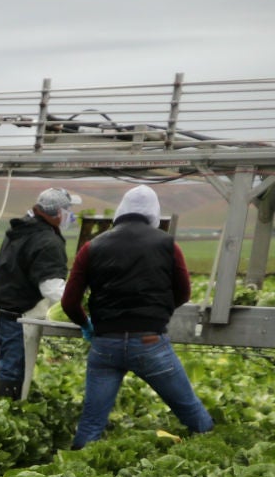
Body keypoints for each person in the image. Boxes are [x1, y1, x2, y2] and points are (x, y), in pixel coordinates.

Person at [61, 185, 210, 450]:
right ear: (153, 213)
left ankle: (73, 474)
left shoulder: (91, 247)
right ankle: (212, 457)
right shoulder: (167, 245)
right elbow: (184, 292)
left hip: (106, 344)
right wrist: (157, 314)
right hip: (151, 342)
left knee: (92, 422)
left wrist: (87, 325)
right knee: (190, 410)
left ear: (121, 211)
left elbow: (69, 302)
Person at [0, 187, 75, 399]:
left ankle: (8, 411)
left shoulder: (26, 229)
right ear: (58, 212)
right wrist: (78, 307)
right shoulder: (45, 240)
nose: (71, 215)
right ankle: (6, 413)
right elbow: (51, 287)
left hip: (12, 310)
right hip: (10, 312)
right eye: (68, 210)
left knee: (12, 367)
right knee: (11, 369)